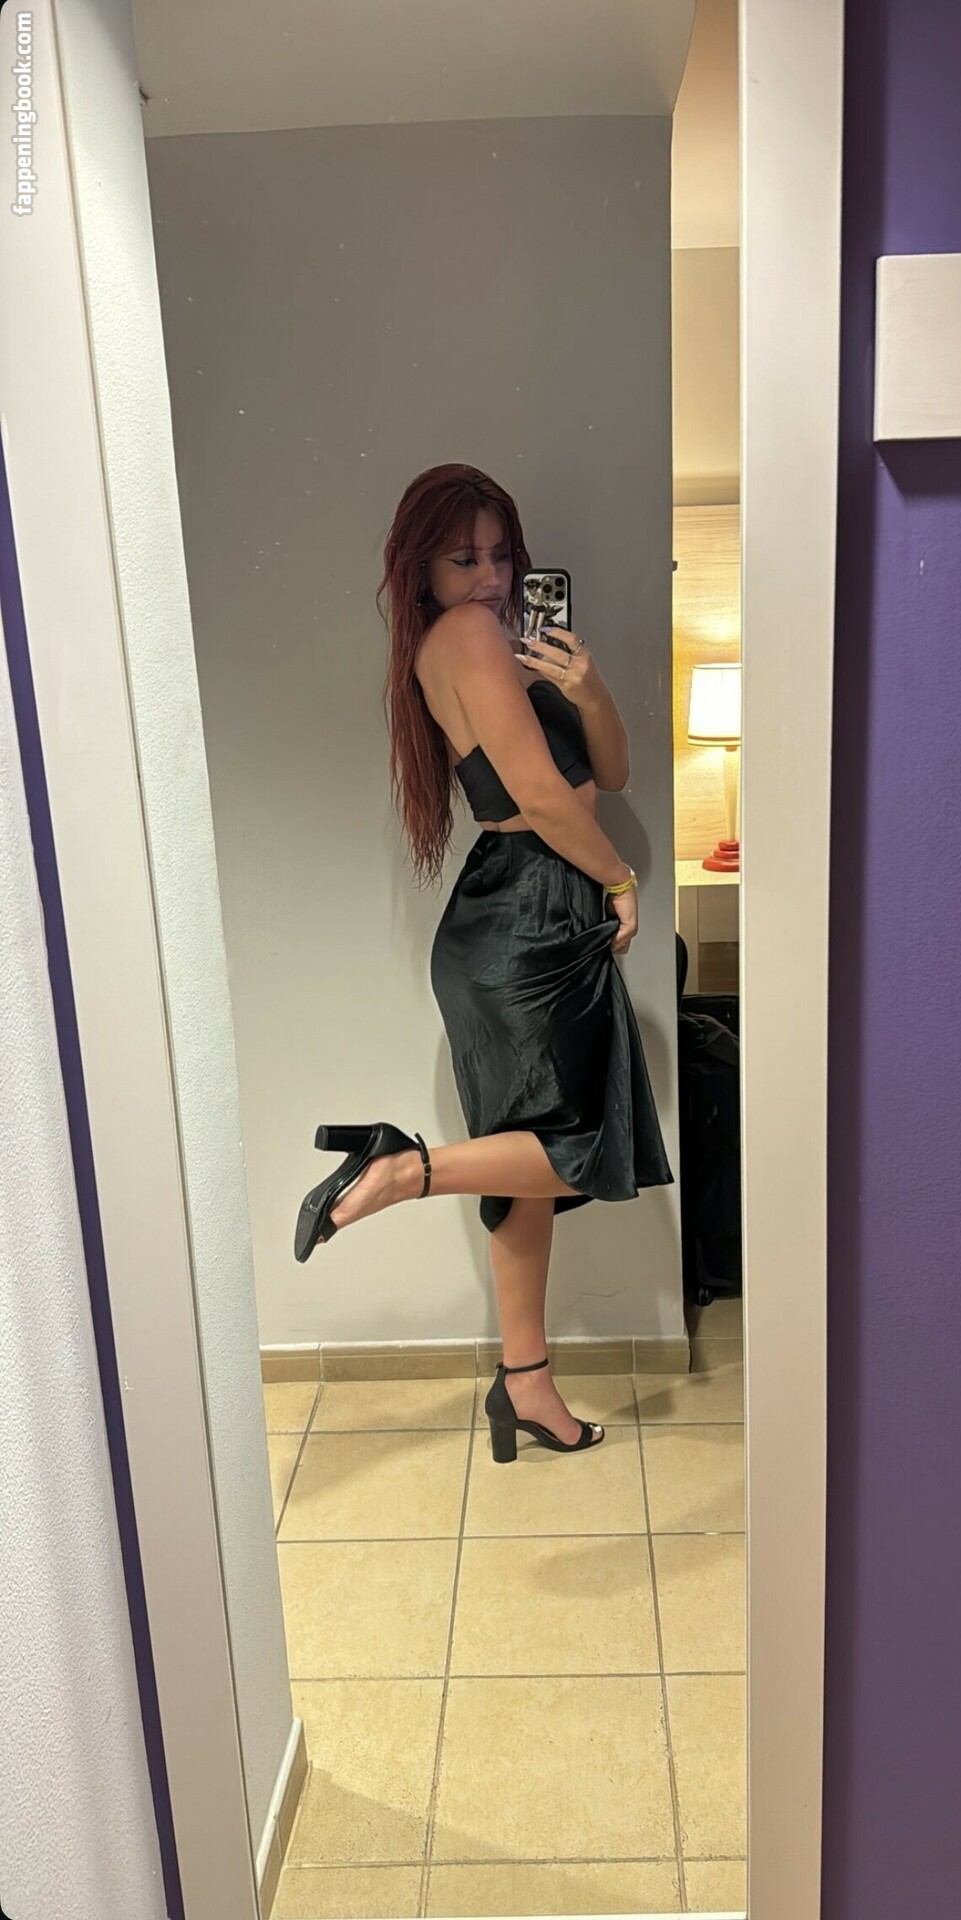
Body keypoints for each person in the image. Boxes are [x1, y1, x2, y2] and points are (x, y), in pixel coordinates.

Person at [293, 463, 673, 1461]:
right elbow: (543, 798)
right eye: (465, 559)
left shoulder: (499, 646)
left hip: (517, 912)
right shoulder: (464, 635)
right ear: (421, 569)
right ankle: (401, 1167)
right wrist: (620, 878)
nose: (491, 578)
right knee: (578, 1138)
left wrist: (587, 689)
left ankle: (525, 1383)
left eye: (501, 555)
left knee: (529, 1166)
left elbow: (612, 770)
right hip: (532, 911)